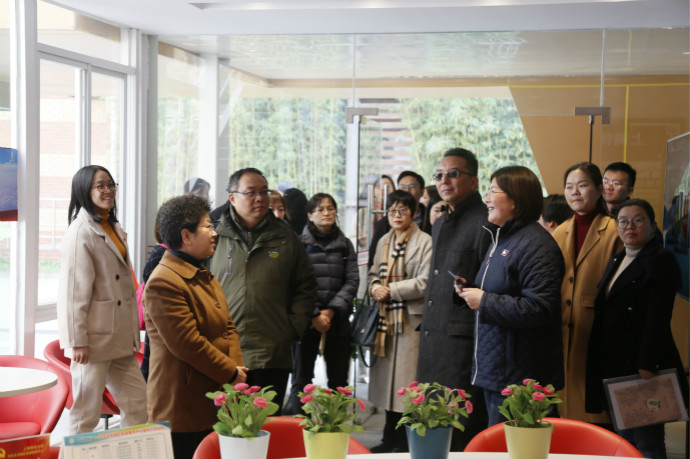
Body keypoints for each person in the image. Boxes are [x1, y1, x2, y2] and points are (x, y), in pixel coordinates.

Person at [458, 166, 565, 426]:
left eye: (493, 191)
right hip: (497, 369)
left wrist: (484, 301)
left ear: (515, 199)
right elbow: (501, 289)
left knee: (519, 445)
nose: (487, 198)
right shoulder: (503, 239)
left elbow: (539, 307)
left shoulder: (537, 245)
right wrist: (469, 289)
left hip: (520, 377)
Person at [143, 194, 246, 459]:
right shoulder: (163, 282)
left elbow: (228, 328)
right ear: (186, 236)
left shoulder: (202, 274)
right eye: (207, 226)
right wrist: (231, 373)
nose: (214, 233)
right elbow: (187, 344)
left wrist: (235, 374)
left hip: (215, 391)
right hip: (182, 403)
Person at [208, 168, 316, 414]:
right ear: (232, 197)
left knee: (267, 424)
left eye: (264, 192)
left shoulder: (285, 236)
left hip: (271, 351)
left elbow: (306, 285)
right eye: (251, 192)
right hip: (223, 351)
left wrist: (291, 328)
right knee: (227, 424)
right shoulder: (213, 234)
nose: (259, 198)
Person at [585, 199, 685, 459]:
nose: (629, 226)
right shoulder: (620, 256)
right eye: (623, 221)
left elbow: (658, 318)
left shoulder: (660, 259)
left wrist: (646, 364)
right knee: (624, 440)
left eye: (638, 220)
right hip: (616, 364)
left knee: (646, 442)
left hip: (641, 368)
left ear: (653, 225)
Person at [57, 165, 147, 434]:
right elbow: (73, 292)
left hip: (118, 337)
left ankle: (131, 451)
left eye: (110, 184)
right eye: (100, 186)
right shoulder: (80, 232)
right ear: (85, 191)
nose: (108, 190)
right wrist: (77, 341)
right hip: (93, 341)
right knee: (86, 414)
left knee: (138, 404)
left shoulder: (112, 225)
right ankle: (71, 454)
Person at [416, 147, 491, 450]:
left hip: (463, 340)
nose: (444, 181)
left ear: (474, 181)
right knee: (432, 421)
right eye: (439, 175)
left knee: (461, 425)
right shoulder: (441, 221)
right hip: (434, 334)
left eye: (453, 174)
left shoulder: (485, 221)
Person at [552, 162, 622, 423]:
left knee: (596, 406)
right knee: (566, 398)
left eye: (582, 185)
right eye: (569, 186)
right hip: (564, 324)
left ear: (600, 190)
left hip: (599, 327)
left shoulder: (614, 230)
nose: (575, 192)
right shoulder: (560, 231)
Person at [368, 190, 432, 453]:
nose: (396, 215)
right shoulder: (384, 240)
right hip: (386, 322)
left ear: (414, 213)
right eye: (392, 210)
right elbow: (373, 273)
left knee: (406, 387)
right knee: (387, 386)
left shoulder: (424, 241)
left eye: (403, 210)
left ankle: (406, 443)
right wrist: (375, 287)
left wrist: (391, 290)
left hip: (409, 322)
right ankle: (389, 439)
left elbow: (425, 282)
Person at [283, 193, 359, 415]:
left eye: (331, 208)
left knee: (339, 381)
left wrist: (331, 311)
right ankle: (299, 427)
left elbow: (352, 280)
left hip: (338, 319)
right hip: (306, 320)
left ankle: (335, 427)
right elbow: (294, 283)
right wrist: (315, 314)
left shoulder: (345, 245)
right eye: (321, 209)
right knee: (301, 380)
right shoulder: (298, 243)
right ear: (310, 215)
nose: (327, 213)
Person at [368, 170, 427, 267]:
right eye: (403, 187)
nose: (407, 191)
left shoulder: (431, 219)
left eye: (412, 187)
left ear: (422, 191)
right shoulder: (384, 224)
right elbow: (373, 261)